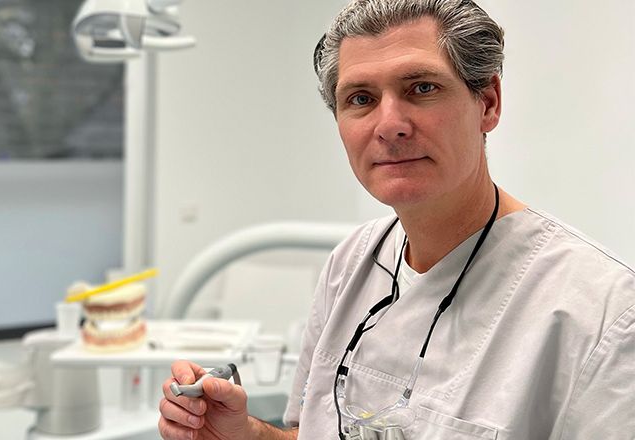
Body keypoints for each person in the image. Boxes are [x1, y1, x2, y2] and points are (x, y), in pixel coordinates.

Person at [158, 0, 635, 439]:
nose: (389, 125)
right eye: (360, 99)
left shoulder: (601, 313)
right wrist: (245, 435)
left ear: (488, 102)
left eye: (422, 88)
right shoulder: (351, 264)